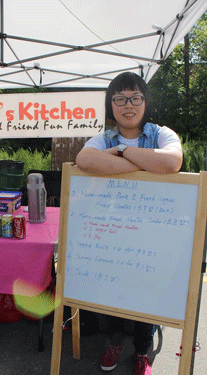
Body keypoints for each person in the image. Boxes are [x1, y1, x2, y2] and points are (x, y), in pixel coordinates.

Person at [76, 72, 183, 375]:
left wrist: (121, 153)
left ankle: (141, 351)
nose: (128, 105)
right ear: (111, 105)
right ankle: (113, 342)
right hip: (110, 233)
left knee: (147, 293)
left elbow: (172, 162)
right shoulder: (101, 138)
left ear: (145, 102)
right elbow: (85, 160)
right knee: (109, 292)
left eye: (135, 98)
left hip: (151, 233)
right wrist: (145, 163)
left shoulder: (161, 133)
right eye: (120, 98)